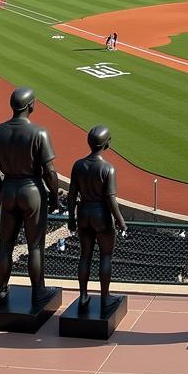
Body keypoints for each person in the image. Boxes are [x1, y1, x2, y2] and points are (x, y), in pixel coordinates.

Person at [0, 87, 61, 304]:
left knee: (5, 244)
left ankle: (1, 290)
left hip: (9, 188)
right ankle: (38, 291)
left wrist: (1, 191)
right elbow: (50, 172)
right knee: (34, 245)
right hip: (32, 190)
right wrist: (54, 196)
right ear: (30, 106)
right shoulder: (39, 133)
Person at [67, 124, 128, 311]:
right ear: (106, 144)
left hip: (83, 213)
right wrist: (120, 220)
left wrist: (71, 218)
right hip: (101, 215)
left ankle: (83, 295)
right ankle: (105, 297)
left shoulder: (78, 165)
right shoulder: (107, 168)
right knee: (105, 256)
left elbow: (71, 195)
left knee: (84, 255)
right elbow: (110, 199)